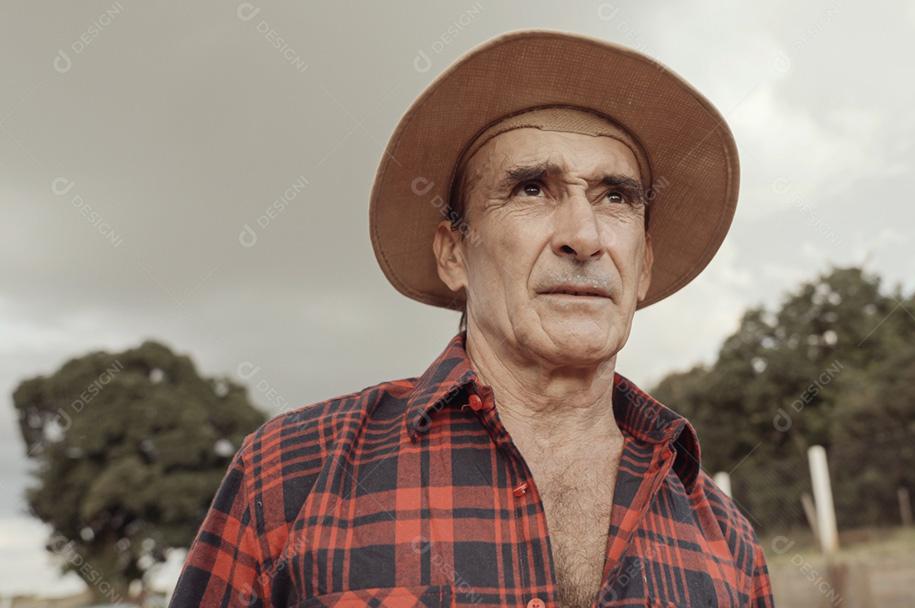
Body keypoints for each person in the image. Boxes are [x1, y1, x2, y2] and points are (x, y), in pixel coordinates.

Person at [171, 29, 774, 608]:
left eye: (616, 197)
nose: (584, 237)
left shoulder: (727, 540)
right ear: (454, 253)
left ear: (641, 269)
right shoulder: (288, 475)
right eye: (532, 189)